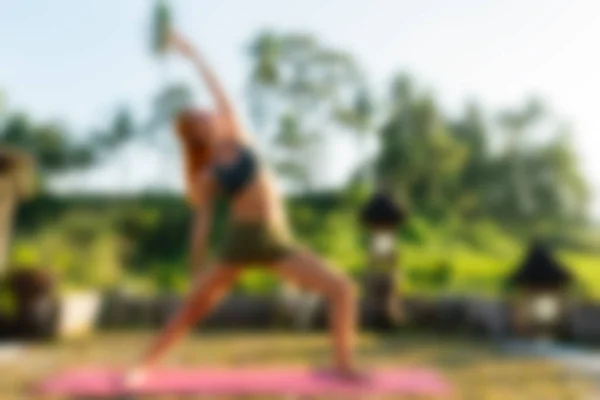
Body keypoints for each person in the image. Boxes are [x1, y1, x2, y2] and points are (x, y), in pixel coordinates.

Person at [126, 30, 360, 386]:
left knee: (341, 288)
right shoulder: (207, 173)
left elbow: (219, 90)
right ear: (198, 134)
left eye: (209, 114)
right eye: (203, 119)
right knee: (194, 307)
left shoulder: (237, 135)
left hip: (275, 240)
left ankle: (343, 366)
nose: (211, 115)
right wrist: (196, 266)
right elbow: (202, 221)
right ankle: (142, 368)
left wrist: (192, 53)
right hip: (239, 242)